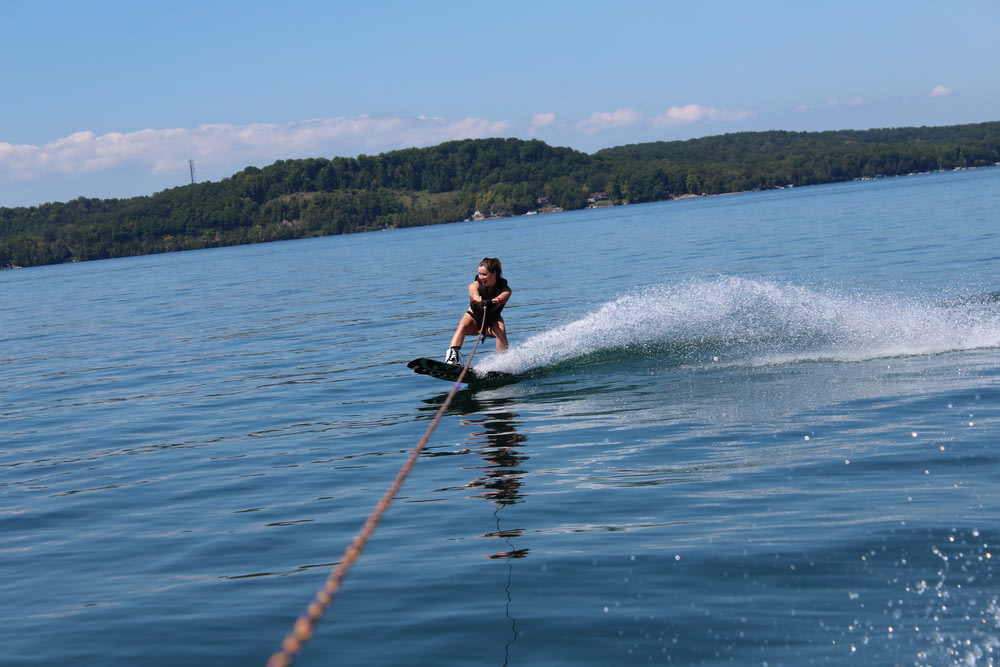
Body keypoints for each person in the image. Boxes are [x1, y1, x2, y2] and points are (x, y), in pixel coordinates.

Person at [445, 257, 512, 365]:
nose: (481, 277)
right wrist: (477, 297)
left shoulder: (504, 288)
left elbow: (505, 295)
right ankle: (452, 358)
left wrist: (495, 300)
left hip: (491, 320)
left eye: (484, 274)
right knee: (463, 325)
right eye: (479, 274)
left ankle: (503, 362)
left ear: (494, 273)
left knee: (501, 329)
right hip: (474, 318)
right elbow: (473, 290)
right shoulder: (475, 285)